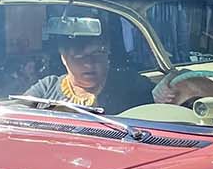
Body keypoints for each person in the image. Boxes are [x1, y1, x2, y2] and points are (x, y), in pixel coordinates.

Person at [22, 22, 154, 113]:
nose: (90, 63)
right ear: (64, 57)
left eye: (98, 53)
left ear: (108, 53)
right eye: (79, 56)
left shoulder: (127, 83)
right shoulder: (48, 87)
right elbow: (16, 112)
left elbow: (158, 99)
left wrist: (166, 92)